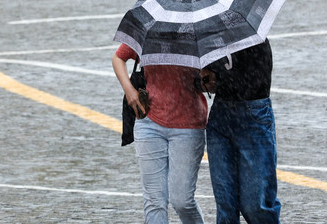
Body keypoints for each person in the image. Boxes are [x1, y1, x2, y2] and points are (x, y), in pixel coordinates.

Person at [113, 43, 208, 224]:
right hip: (149, 122)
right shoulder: (149, 29)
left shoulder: (197, 33)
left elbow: (211, 81)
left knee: (182, 201)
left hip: (188, 125)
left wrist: (207, 80)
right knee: (154, 200)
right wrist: (129, 90)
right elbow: (118, 57)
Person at [199, 39, 282, 224]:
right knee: (226, 205)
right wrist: (205, 77)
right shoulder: (212, 39)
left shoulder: (253, 37)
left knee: (256, 206)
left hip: (253, 116)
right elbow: (209, 81)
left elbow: (255, 81)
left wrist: (222, 76)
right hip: (221, 116)